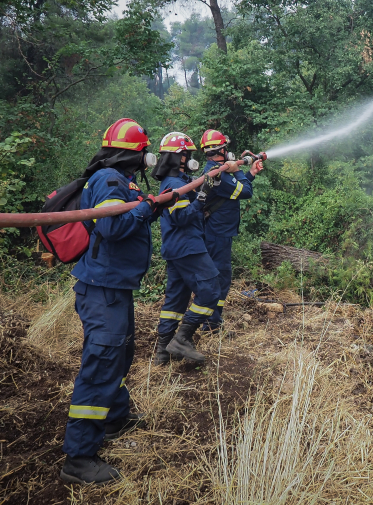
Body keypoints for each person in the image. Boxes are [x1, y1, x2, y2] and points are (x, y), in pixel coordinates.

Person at [61, 118, 168, 485]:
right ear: (135, 154)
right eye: (144, 152)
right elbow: (110, 226)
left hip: (114, 287)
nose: (148, 158)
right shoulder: (108, 181)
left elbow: (129, 217)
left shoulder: (121, 181)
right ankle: (78, 458)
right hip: (102, 289)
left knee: (120, 355)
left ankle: (115, 417)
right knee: (102, 364)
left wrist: (151, 205)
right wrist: (144, 207)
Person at [150, 132, 241, 365]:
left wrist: (209, 188)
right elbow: (181, 218)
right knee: (211, 290)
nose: (191, 159)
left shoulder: (178, 181)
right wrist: (202, 197)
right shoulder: (174, 184)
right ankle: (182, 338)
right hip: (188, 246)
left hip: (177, 248)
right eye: (188, 154)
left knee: (176, 301)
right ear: (178, 158)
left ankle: (163, 352)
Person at [198, 130, 263, 332]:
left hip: (219, 232)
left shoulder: (216, 170)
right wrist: (236, 171)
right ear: (222, 150)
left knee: (220, 277)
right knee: (220, 277)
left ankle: (213, 321)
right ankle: (211, 324)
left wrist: (249, 173)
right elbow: (245, 192)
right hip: (218, 234)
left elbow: (233, 192)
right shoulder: (218, 175)